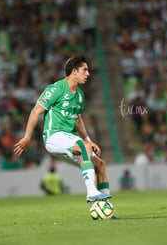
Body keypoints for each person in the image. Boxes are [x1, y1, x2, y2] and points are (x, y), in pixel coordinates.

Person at [14, 55, 112, 203]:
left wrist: (89, 140)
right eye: (84, 70)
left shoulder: (80, 95)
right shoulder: (56, 89)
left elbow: (78, 119)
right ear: (74, 71)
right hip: (54, 136)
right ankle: (92, 192)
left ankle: (105, 207)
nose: (88, 74)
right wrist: (27, 137)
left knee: (100, 164)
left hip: (70, 140)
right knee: (85, 147)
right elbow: (35, 111)